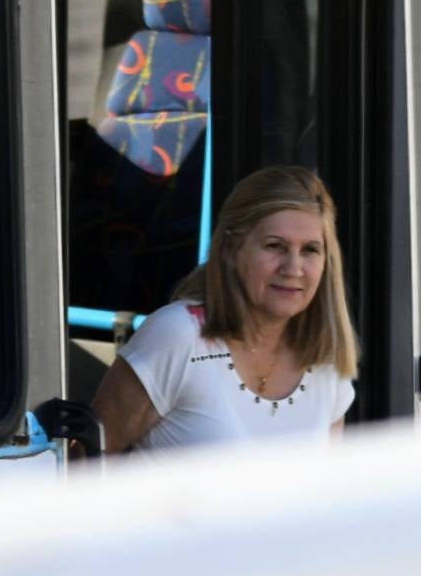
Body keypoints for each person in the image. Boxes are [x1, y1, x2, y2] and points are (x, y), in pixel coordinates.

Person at [92, 165, 358, 454]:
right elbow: (84, 464)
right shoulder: (179, 336)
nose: (293, 268)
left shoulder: (327, 365)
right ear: (231, 250)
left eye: (310, 250)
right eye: (274, 246)